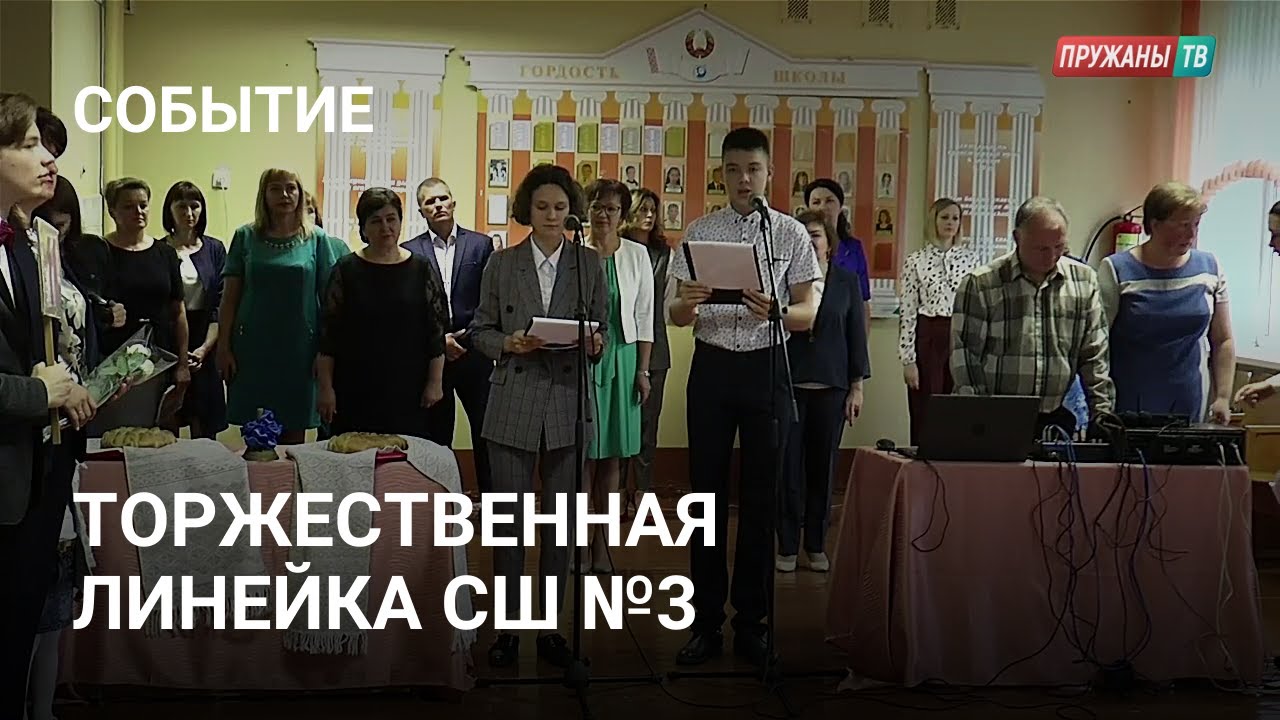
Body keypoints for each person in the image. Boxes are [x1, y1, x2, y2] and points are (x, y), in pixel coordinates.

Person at [667, 127, 821, 667]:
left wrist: (778, 310)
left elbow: (808, 311)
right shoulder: (700, 230)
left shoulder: (790, 233)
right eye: (733, 170)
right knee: (704, 498)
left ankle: (752, 624)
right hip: (712, 367)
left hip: (766, 365)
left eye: (752, 169)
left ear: (768, 173)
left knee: (761, 499)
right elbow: (675, 314)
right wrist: (687, 302)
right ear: (722, 174)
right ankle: (705, 622)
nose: (743, 179)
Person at [467, 164, 607, 669]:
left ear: (573, 212)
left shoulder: (588, 263)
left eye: (560, 207)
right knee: (509, 523)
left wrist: (594, 343)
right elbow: (478, 330)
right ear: (527, 210)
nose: (551, 215)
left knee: (561, 525)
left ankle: (550, 628)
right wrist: (508, 342)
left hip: (568, 400)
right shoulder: (502, 263)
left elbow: (603, 328)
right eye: (543, 206)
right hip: (514, 400)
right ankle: (507, 629)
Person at [0, 92, 95, 718]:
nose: (49, 158)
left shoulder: (29, 243)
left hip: (35, 473)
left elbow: (42, 347)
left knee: (16, 643)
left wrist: (68, 385)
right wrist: (40, 391)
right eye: (30, 144)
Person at [950, 196, 1114, 435]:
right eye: (1041, 248)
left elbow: (1095, 356)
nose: (1051, 256)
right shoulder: (981, 284)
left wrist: (1102, 416)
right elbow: (966, 360)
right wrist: (978, 421)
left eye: (1059, 247)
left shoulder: (1084, 281)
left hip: (1055, 417)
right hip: (996, 418)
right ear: (1017, 238)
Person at [217, 169, 350, 444]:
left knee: (293, 438)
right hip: (252, 349)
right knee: (256, 439)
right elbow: (229, 299)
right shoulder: (245, 236)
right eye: (276, 189)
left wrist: (325, 355)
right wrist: (224, 347)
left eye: (291, 188)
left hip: (300, 352)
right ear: (264, 195)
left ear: (300, 194)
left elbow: (330, 306)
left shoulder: (316, 239)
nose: (285, 195)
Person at [777, 210, 867, 574]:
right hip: (790, 386)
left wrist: (857, 386)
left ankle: (815, 545)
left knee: (823, 469)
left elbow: (856, 335)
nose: (809, 241)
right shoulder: (784, 280)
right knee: (788, 470)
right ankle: (786, 545)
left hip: (832, 389)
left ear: (829, 243)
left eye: (815, 234)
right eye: (802, 235)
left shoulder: (846, 281)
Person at [1099, 182, 1234, 424]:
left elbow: (1222, 340)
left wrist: (1223, 397)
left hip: (1187, 398)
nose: (1191, 234)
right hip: (1128, 400)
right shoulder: (1117, 269)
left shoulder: (1209, 268)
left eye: (1195, 224)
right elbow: (1097, 344)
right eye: (1183, 225)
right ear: (1155, 224)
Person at [318, 188, 447, 437]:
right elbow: (328, 337)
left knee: (405, 456)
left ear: (400, 222)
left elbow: (436, 332)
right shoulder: (346, 269)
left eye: (391, 219)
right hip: (354, 385)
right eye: (376, 221)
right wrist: (325, 388)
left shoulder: (421, 268)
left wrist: (435, 382)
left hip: (409, 385)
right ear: (363, 228)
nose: (385, 227)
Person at [402, 178, 495, 492]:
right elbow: (412, 308)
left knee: (485, 433)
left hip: (474, 353)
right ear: (421, 210)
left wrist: (470, 336)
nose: (438, 205)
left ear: (453, 202)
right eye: (430, 202)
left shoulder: (481, 245)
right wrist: (440, 341)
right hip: (433, 356)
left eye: (443, 198)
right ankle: (440, 502)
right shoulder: (410, 251)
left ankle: (491, 504)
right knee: (437, 437)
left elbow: (489, 300)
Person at [581, 179, 653, 573]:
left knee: (611, 460)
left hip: (623, 358)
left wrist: (642, 370)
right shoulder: (574, 252)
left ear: (622, 215)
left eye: (611, 208)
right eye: (596, 207)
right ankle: (577, 546)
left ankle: (602, 548)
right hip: (581, 360)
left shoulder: (637, 255)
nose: (603, 215)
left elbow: (645, 316)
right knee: (580, 459)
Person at [100, 177, 191, 428]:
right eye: (129, 206)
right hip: (112, 366)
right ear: (113, 211)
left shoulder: (165, 253)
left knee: (158, 436)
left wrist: (183, 364)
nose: (138, 212)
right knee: (117, 435)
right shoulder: (100, 251)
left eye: (143, 205)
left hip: (161, 361)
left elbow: (178, 312)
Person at [898, 198, 980, 444]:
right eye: (944, 217)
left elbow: (976, 308)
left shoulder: (971, 260)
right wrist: (908, 360)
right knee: (926, 404)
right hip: (929, 335)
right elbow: (908, 312)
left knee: (956, 404)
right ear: (933, 220)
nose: (950, 223)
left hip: (960, 336)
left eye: (955, 218)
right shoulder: (916, 261)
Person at [160, 181, 228, 439]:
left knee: (205, 429)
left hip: (206, 340)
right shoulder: (159, 249)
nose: (189, 213)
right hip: (169, 342)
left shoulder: (215, 249)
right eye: (181, 206)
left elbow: (220, 304)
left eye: (195, 206)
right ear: (170, 210)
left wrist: (203, 349)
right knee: (168, 424)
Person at [620, 188, 670, 518]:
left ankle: (643, 492)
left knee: (648, 427)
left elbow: (664, 304)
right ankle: (617, 492)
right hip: (623, 347)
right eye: (643, 209)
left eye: (653, 210)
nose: (649, 215)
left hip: (657, 349)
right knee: (622, 426)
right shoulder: (618, 248)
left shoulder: (664, 253)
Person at [804, 179, 871, 328]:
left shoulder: (853, 248)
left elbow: (863, 300)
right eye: (816, 202)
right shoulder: (800, 247)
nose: (822, 207)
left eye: (829, 201)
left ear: (840, 207)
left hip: (844, 327)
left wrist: (862, 339)